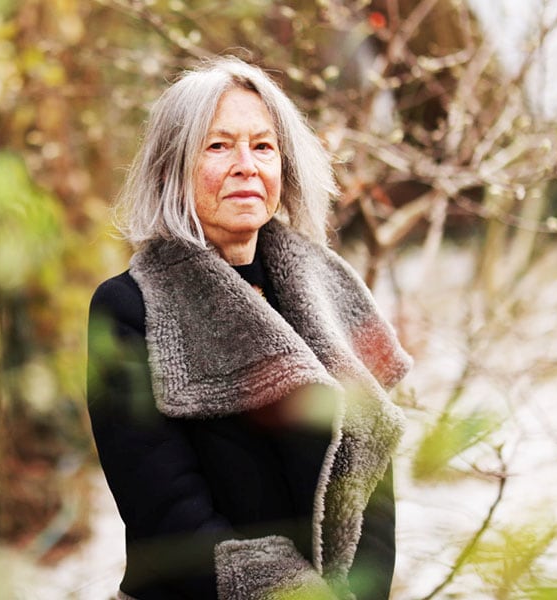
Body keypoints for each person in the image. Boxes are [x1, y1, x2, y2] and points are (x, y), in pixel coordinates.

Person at [86, 56, 412, 600]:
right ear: (171, 168)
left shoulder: (331, 292)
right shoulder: (129, 308)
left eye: (263, 146)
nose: (246, 165)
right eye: (218, 146)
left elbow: (371, 468)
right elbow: (167, 515)